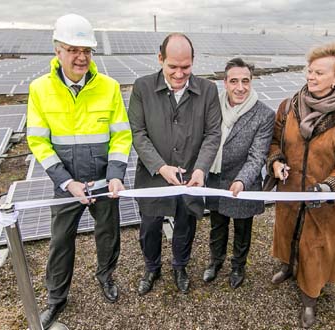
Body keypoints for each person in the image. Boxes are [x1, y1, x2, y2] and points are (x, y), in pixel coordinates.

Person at [26, 13, 131, 329]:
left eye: (86, 50)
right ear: (58, 50)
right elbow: (38, 142)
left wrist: (115, 175)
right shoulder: (40, 89)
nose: (81, 57)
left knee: (108, 235)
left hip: (103, 181)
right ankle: (56, 298)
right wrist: (66, 181)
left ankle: (106, 276)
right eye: (73, 49)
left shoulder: (109, 88)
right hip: (66, 185)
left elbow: (121, 135)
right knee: (60, 242)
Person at [267, 44, 335, 328]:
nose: (311, 76)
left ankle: (310, 298)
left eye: (319, 72)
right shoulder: (289, 105)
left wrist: (329, 187)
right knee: (286, 231)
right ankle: (287, 266)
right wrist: (276, 162)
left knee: (315, 245)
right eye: (310, 70)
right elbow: (275, 142)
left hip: (322, 197)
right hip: (290, 188)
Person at [128, 33, 221, 295]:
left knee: (185, 223)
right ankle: (151, 267)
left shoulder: (208, 90)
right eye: (173, 67)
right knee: (150, 225)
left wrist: (201, 168)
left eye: (186, 67)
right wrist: (160, 166)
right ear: (160, 59)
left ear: (193, 61)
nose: (180, 74)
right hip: (153, 175)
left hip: (191, 174)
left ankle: (180, 266)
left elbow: (213, 134)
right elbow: (138, 133)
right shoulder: (142, 88)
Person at [202, 58, 274, 289]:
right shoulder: (213, 106)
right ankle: (216, 261)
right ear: (225, 83)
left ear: (251, 82)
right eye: (234, 81)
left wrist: (242, 180)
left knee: (242, 228)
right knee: (217, 224)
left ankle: (238, 266)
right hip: (215, 178)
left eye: (245, 81)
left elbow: (257, 155)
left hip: (243, 182)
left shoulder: (263, 114)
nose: (240, 87)